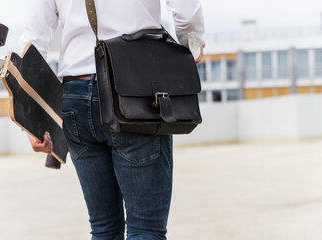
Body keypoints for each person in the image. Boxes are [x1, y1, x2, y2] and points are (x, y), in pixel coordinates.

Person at [22, 0, 205, 239]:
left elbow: (33, 40)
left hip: (74, 96)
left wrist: (30, 117)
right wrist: (191, 44)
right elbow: (186, 12)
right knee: (145, 229)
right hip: (134, 92)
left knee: (104, 229)